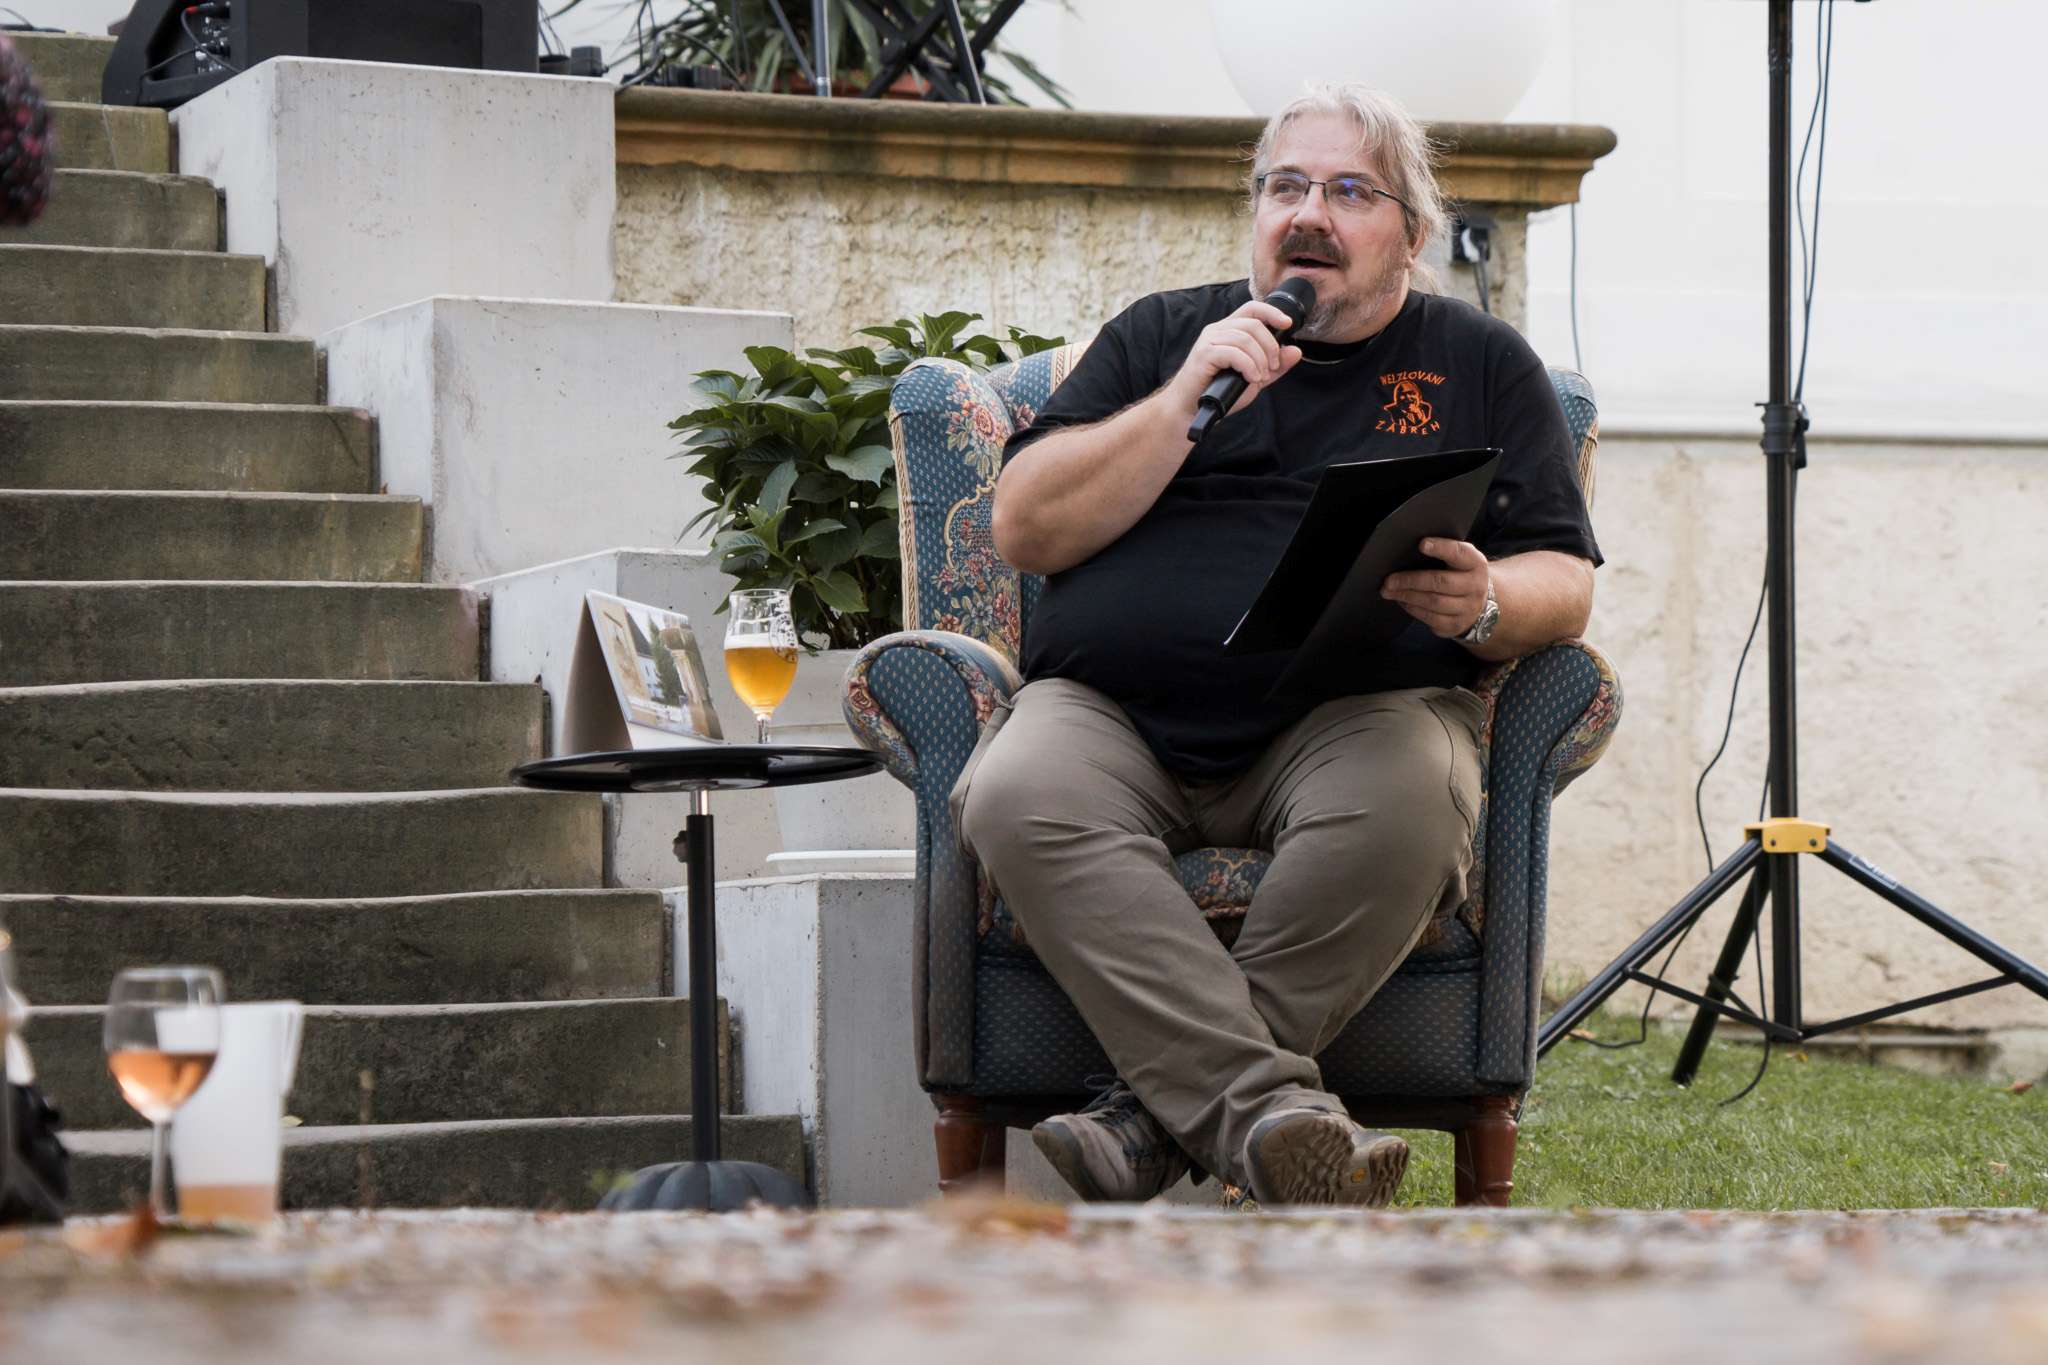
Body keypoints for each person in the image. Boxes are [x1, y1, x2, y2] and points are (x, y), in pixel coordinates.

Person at [956, 84, 1601, 1208]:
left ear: (1409, 233)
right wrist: (1182, 400)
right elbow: (1024, 525)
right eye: (1285, 187)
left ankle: (1144, 1123)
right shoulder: (1165, 337)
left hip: (1355, 718)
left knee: (1412, 800)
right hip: (1110, 718)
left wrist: (1488, 598)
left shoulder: (1481, 361)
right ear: (1255, 212)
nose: (1308, 213)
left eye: (1349, 191)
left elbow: (1567, 579)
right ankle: (1265, 1119)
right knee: (1013, 791)